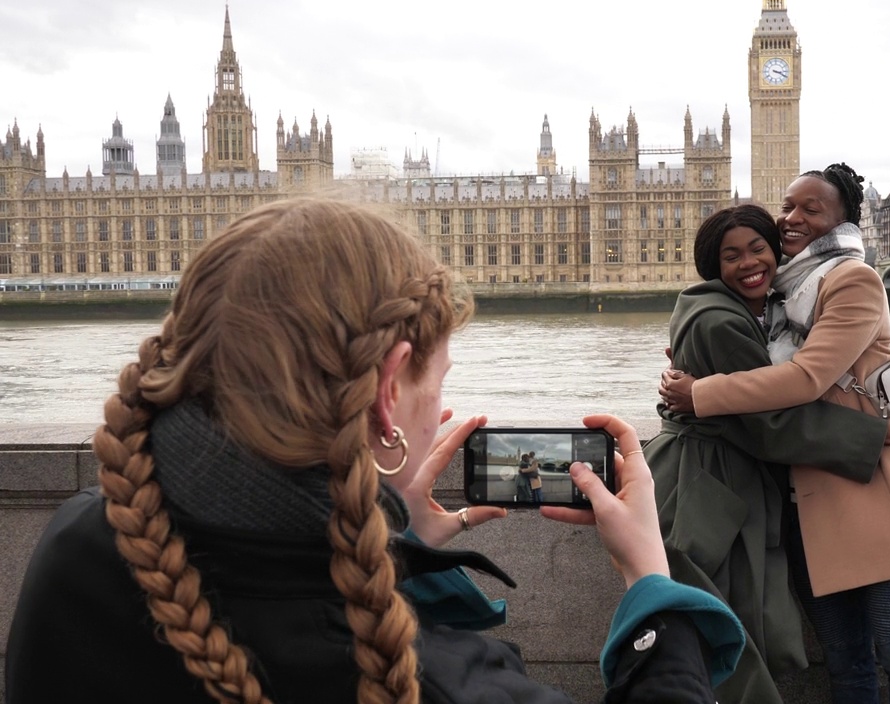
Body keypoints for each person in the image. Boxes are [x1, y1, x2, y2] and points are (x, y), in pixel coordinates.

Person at [6, 198, 744, 703]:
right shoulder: (445, 681)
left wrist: (393, 549)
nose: (442, 408)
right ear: (388, 390)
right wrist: (652, 584)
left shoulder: (79, 541)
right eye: (439, 379)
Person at [662, 166, 890, 704]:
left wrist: (701, 392)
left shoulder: (852, 280)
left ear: (842, 220)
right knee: (847, 668)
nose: (792, 218)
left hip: (872, 497)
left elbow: (806, 377)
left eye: (811, 210)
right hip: (807, 507)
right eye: (788, 206)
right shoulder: (778, 296)